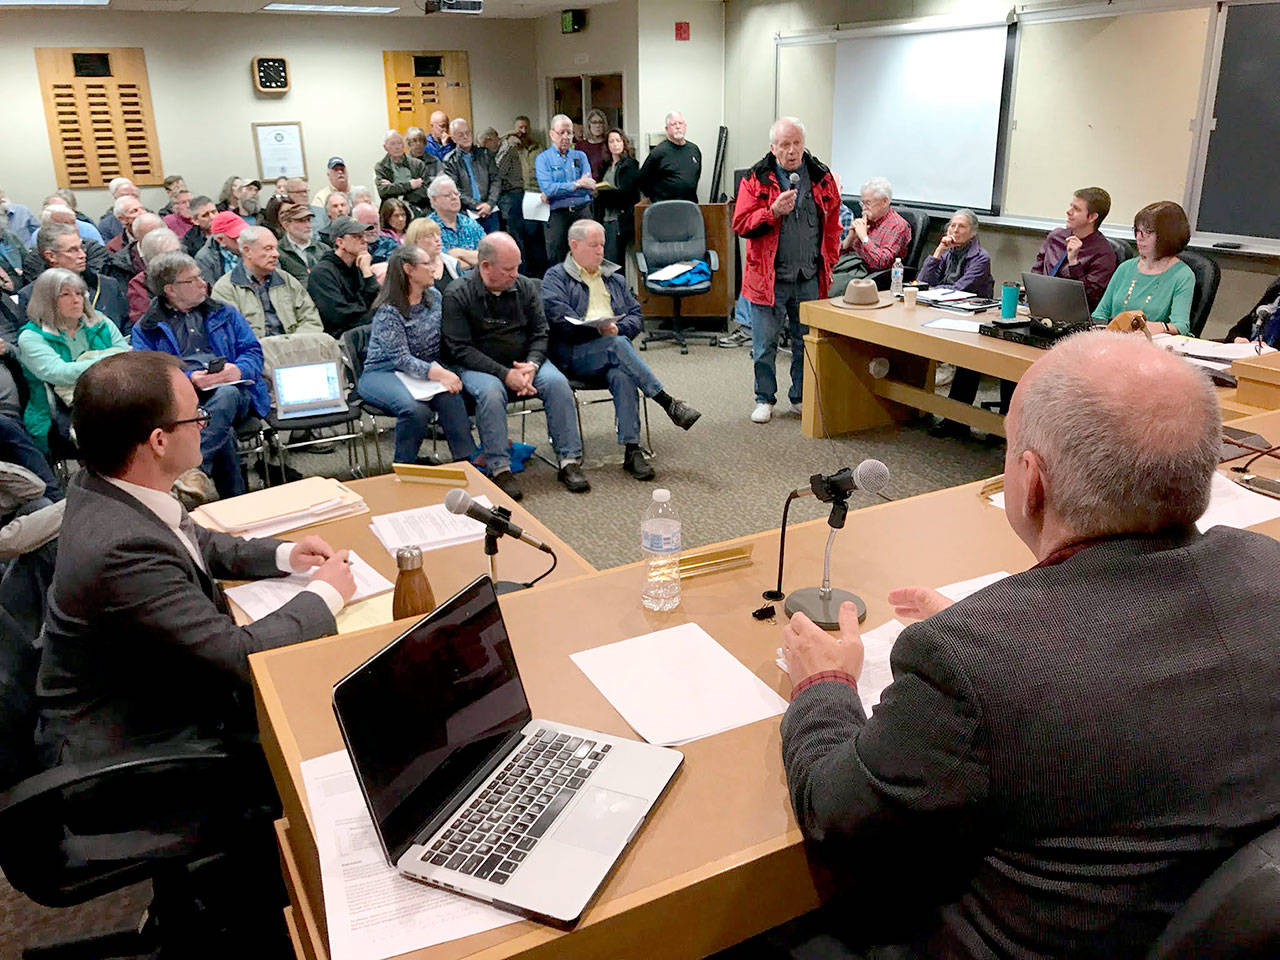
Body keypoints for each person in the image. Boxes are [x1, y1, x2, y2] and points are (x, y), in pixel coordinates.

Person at [771, 329, 1280, 960]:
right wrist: (1001, 632)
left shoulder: (973, 662)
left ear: (1032, 481)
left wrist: (823, 684)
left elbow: (834, 817)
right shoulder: (1266, 568)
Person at [37, 348, 354, 768]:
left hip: (153, 689)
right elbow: (238, 658)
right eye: (196, 416)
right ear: (159, 441)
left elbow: (193, 540)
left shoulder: (108, 484)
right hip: (137, 744)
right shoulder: (122, 549)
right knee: (331, 717)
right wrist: (325, 595)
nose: (205, 423)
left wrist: (285, 555)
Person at [541, 220, 700, 481]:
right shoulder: (555, 278)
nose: (600, 251)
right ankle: (667, 401)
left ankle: (632, 448)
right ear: (574, 245)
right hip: (574, 355)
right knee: (617, 346)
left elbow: (637, 317)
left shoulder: (614, 278)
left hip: (614, 350)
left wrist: (617, 328)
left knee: (623, 372)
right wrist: (598, 330)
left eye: (602, 245)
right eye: (594, 245)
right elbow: (559, 320)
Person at [442, 232, 588, 499]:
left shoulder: (524, 287)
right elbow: (459, 349)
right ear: (485, 266)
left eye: (517, 267)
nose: (515, 274)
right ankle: (500, 468)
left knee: (557, 384)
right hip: (478, 366)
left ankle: (569, 461)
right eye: (508, 269)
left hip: (525, 362)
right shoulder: (457, 294)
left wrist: (531, 365)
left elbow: (541, 333)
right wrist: (504, 374)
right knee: (491, 392)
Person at [132, 250, 269, 498]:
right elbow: (150, 376)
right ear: (170, 290)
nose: (202, 283)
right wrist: (189, 380)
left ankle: (190, 470)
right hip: (184, 402)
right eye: (192, 279)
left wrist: (237, 369)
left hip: (236, 391)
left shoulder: (225, 312)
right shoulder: (147, 328)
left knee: (226, 395)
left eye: (200, 276)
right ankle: (235, 503)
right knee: (222, 432)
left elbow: (253, 352)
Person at [732, 117, 842, 424]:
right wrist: (772, 212)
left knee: (805, 342)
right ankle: (764, 398)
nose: (791, 151)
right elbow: (740, 224)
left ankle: (800, 397)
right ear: (773, 148)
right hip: (769, 279)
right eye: (784, 145)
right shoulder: (756, 178)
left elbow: (833, 225)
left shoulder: (821, 177)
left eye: (796, 144)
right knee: (764, 345)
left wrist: (830, 262)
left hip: (808, 277)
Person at [359, 245, 478, 467]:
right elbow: (400, 358)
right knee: (414, 409)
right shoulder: (388, 309)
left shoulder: (434, 297)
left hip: (423, 368)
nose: (434, 268)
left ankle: (467, 461)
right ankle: (405, 465)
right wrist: (439, 373)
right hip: (383, 372)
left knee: (450, 395)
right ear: (409, 269)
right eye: (427, 263)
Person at [16, 267, 130, 450]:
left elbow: (127, 358)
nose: (76, 300)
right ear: (47, 300)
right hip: (57, 414)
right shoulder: (31, 337)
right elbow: (60, 373)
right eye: (66, 295)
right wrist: (110, 357)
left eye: (79, 293)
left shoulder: (100, 322)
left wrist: (110, 358)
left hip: (113, 401)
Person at [920, 210, 997, 436]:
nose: (954, 230)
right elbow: (923, 281)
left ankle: (956, 421)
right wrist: (938, 251)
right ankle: (916, 408)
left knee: (967, 358)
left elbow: (960, 290)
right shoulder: (948, 251)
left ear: (972, 232)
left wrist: (935, 289)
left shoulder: (981, 258)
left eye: (961, 226)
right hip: (944, 309)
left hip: (972, 316)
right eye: (952, 225)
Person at [1092, 200, 1195, 336]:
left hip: (1150, 344)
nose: (1139, 237)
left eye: (1148, 232)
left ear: (1168, 236)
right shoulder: (1125, 268)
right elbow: (1100, 314)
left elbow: (1181, 326)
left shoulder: (1182, 275)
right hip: (1113, 339)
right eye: (1137, 231)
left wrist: (1157, 327)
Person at [211, 225, 324, 340]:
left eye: (275, 248)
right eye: (268, 249)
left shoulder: (286, 280)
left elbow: (311, 319)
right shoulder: (226, 288)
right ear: (247, 251)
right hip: (255, 349)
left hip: (295, 347)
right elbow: (228, 333)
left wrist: (292, 343)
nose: (276, 254)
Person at [15, 223, 128, 330]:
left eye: (82, 247)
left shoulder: (108, 286)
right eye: (72, 250)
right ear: (51, 256)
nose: (83, 255)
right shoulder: (31, 295)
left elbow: (126, 327)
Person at [1029, 187, 1118, 311]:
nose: (1068, 212)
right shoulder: (1056, 236)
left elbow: (1087, 298)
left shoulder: (1104, 253)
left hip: (1071, 313)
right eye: (1071, 206)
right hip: (1039, 305)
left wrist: (1074, 263)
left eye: (1076, 209)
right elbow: (1037, 270)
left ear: (1092, 217)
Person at [536, 114, 596, 268]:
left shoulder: (580, 156)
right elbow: (548, 189)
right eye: (561, 132)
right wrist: (576, 184)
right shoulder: (543, 159)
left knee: (587, 256)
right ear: (552, 134)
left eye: (569, 133)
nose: (565, 137)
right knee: (558, 260)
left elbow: (588, 187)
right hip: (558, 215)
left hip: (582, 212)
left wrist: (561, 189)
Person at [306, 216, 379, 337]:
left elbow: (378, 303)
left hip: (365, 330)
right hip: (340, 338)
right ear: (340, 242)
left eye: (363, 235)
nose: (364, 240)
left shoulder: (360, 267)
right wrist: (370, 313)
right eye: (356, 237)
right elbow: (340, 316)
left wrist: (367, 273)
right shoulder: (322, 274)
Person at [833, 177, 911, 281]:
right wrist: (850, 239)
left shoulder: (898, 226)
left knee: (829, 286)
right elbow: (838, 255)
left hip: (871, 276)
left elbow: (882, 262)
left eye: (868, 203)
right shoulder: (866, 220)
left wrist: (864, 238)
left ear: (884, 202)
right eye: (862, 203)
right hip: (849, 266)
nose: (864, 208)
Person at [444, 118, 501, 233]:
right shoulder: (450, 161)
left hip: (490, 211)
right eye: (460, 135)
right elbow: (454, 189)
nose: (466, 137)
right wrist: (477, 205)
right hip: (466, 213)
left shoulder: (485, 154)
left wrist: (489, 204)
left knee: (493, 242)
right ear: (453, 138)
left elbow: (496, 180)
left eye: (468, 133)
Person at [594, 127, 641, 266]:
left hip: (620, 218)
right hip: (605, 218)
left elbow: (625, 194)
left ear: (624, 143)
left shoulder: (630, 165)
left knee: (616, 261)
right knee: (606, 259)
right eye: (611, 141)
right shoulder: (605, 166)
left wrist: (603, 194)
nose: (615, 144)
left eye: (618, 141)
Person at [638, 111, 701, 202]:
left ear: (685, 126)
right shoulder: (658, 152)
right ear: (667, 129)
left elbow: (696, 176)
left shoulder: (694, 150)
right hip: (665, 206)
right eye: (673, 124)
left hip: (689, 204)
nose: (678, 127)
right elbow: (642, 180)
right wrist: (655, 198)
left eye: (680, 123)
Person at [127, 226, 182, 327]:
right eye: (171, 254)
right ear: (154, 260)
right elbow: (147, 323)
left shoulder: (190, 275)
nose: (178, 258)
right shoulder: (139, 284)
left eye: (179, 252)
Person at [427, 175, 484, 269]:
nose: (454, 197)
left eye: (456, 194)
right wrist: (474, 260)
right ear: (434, 200)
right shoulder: (427, 228)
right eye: (447, 195)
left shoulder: (470, 224)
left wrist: (460, 253)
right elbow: (443, 264)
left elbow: (488, 256)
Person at [374, 129, 434, 213]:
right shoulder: (381, 166)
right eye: (392, 144)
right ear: (385, 147)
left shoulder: (418, 164)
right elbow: (383, 192)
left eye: (399, 143)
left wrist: (395, 189)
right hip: (391, 210)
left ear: (403, 145)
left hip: (418, 208)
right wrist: (410, 185)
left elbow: (426, 190)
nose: (397, 147)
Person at [405, 217, 463, 294]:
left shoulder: (452, 263)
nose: (437, 239)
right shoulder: (411, 267)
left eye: (438, 234)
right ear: (415, 241)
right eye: (430, 236)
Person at [276, 203, 331, 283]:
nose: (308, 225)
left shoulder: (324, 249)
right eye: (301, 221)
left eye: (309, 220)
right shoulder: (277, 252)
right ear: (286, 225)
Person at [195, 210, 247, 286]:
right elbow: (210, 289)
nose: (244, 240)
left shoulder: (253, 247)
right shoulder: (204, 259)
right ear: (220, 240)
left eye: (245, 234)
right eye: (237, 237)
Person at [95, 177, 138, 244]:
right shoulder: (106, 224)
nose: (130, 199)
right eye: (125, 196)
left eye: (134, 195)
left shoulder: (150, 216)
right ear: (115, 197)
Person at [578, 109, 610, 179]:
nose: (598, 125)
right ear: (589, 125)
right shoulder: (580, 146)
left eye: (600, 122)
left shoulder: (609, 144)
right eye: (594, 122)